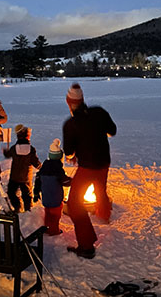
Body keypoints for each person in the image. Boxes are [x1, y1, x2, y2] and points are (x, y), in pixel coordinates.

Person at [63, 83, 117, 259]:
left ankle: (86, 246)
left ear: (69, 103)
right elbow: (112, 131)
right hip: (104, 162)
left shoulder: (71, 124)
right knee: (100, 189)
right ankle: (104, 214)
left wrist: (72, 155)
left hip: (87, 166)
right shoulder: (99, 113)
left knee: (74, 205)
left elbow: (69, 151)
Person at [34, 138, 72, 236]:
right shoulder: (58, 170)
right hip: (56, 199)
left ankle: (46, 228)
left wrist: (36, 193)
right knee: (55, 216)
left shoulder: (43, 169)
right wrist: (72, 181)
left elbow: (38, 181)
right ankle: (54, 231)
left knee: (48, 214)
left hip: (46, 198)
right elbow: (65, 181)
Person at [2, 124, 41, 212]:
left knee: (11, 193)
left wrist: (5, 152)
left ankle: (17, 206)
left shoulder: (14, 148)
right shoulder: (31, 149)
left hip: (14, 176)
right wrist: (42, 167)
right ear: (27, 136)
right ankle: (28, 210)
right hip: (26, 177)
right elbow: (35, 163)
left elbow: (8, 155)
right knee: (27, 195)